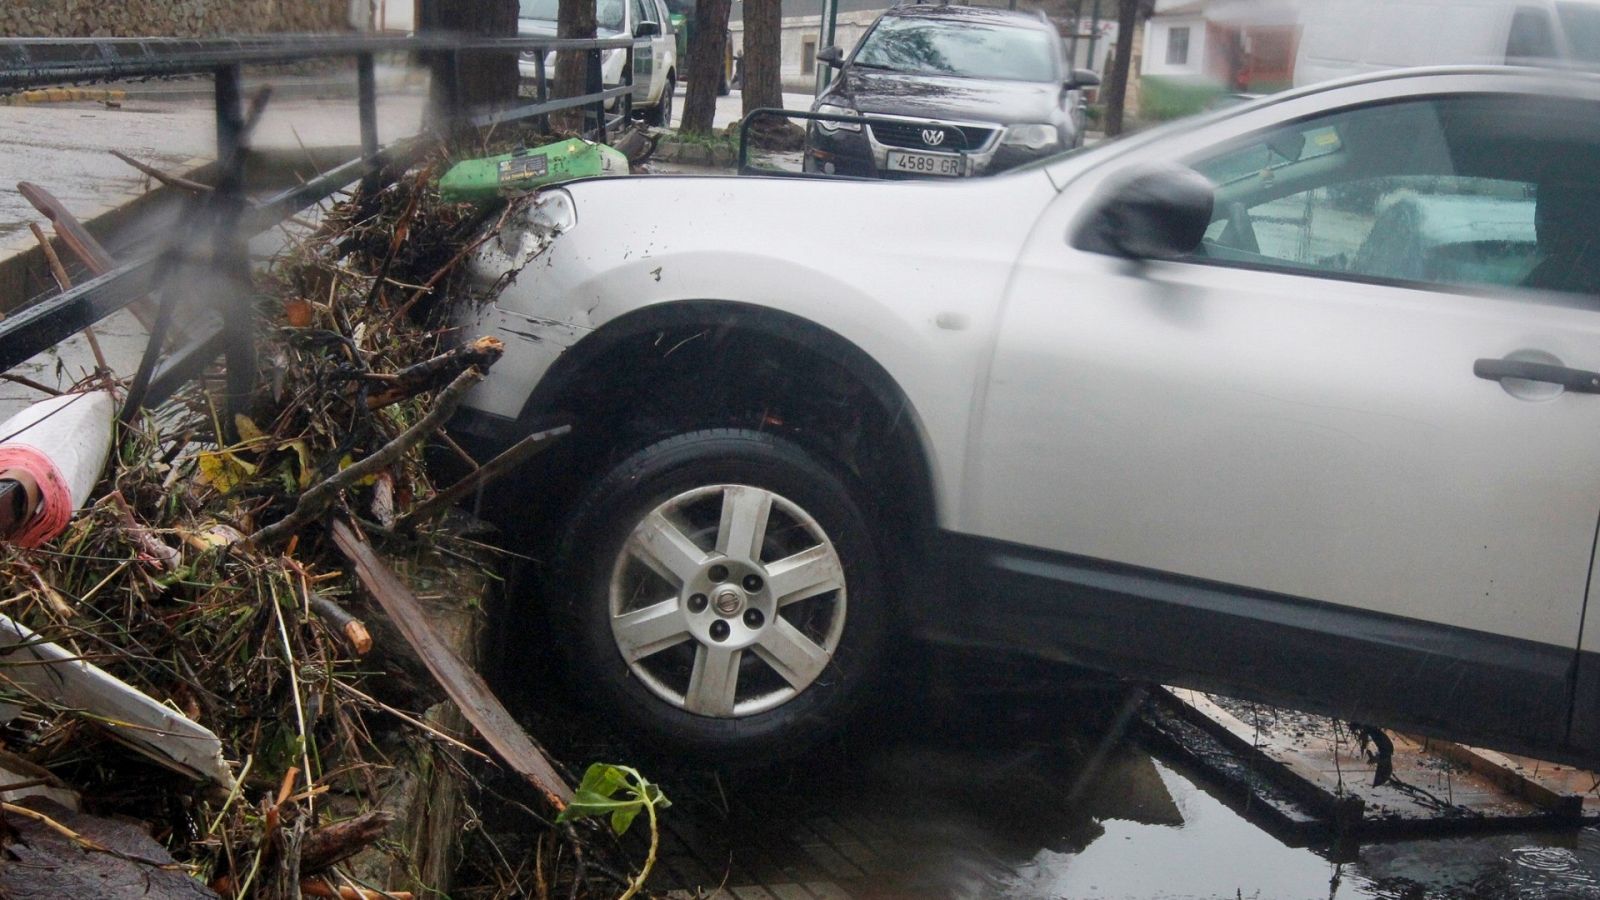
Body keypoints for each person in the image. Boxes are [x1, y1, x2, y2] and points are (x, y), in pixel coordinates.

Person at [1524, 180, 1600, 296]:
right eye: (1540, 212)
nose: (1539, 225)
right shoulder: (1552, 272)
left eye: (1551, 218)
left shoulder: (1553, 275)